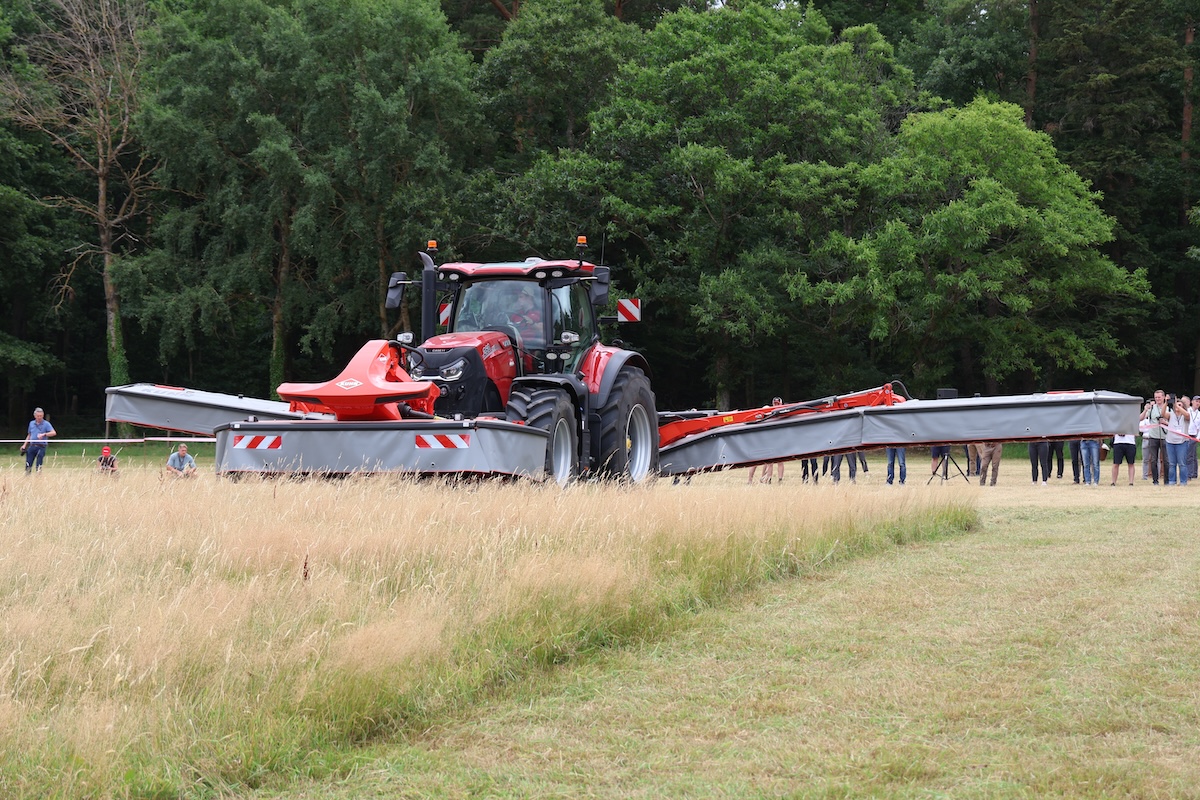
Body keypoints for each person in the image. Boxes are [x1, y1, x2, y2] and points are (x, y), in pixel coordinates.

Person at [1140, 390, 1168, 484]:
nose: (1157, 399)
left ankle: (1166, 480)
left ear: (1163, 397)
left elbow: (1172, 424)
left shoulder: (1168, 408)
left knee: (1166, 460)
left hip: (1165, 437)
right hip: (1153, 436)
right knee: (1153, 459)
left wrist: (1165, 422)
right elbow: (1141, 418)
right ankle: (1155, 480)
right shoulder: (1152, 408)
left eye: (1159, 397)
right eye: (1156, 397)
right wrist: (1145, 410)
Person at [1164, 395, 1191, 486]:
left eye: (1180, 405)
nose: (1177, 407)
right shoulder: (1171, 414)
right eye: (1176, 405)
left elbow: (1187, 415)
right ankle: (1172, 481)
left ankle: (1183, 481)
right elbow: (1163, 413)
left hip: (1182, 442)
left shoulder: (1185, 416)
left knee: (1182, 463)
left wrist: (1176, 404)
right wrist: (1166, 402)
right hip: (1170, 442)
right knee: (1172, 463)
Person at [21, 407, 56, 473]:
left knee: (39, 465)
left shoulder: (46, 424)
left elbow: (53, 433)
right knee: (28, 464)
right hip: (32, 446)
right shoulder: (31, 423)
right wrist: (24, 445)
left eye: (41, 416)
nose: (39, 417)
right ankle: (27, 478)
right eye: (38, 416)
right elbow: (29, 435)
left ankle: (38, 479)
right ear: (35, 416)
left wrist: (44, 434)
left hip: (41, 446)